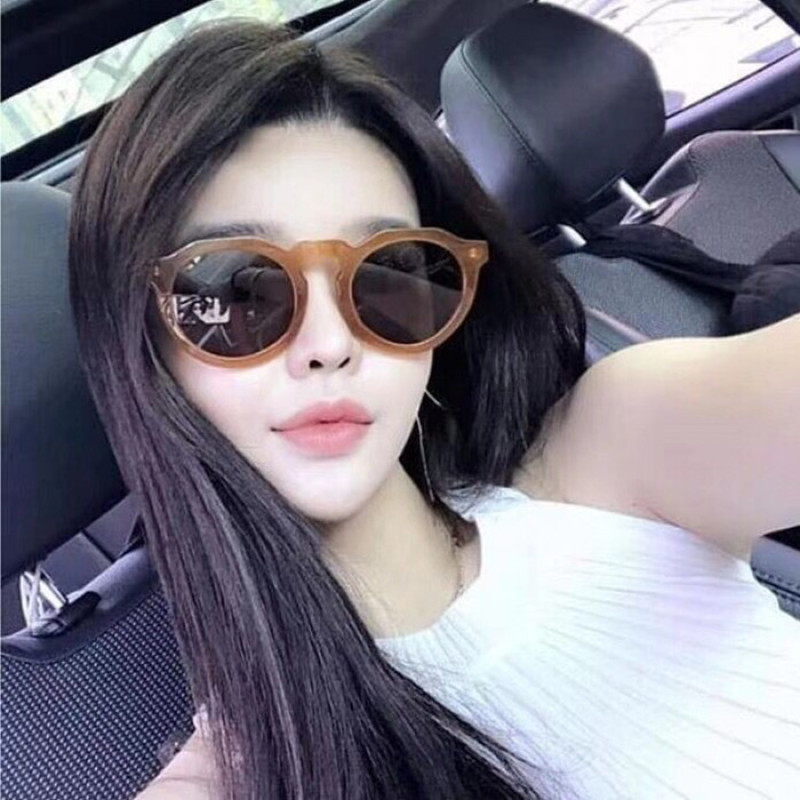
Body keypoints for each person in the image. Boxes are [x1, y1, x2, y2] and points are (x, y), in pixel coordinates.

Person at [66, 19, 800, 800]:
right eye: (239, 290)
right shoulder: (242, 774)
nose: (331, 343)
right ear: (141, 341)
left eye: (389, 273)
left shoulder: (618, 450)